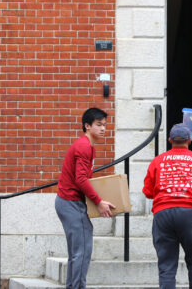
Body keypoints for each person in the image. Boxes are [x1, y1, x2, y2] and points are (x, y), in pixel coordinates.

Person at [143, 123, 192, 289]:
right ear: (189, 141)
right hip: (190, 213)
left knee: (167, 265)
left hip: (163, 213)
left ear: (170, 140)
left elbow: (148, 191)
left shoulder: (157, 161)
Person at [55, 108, 116, 289]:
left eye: (105, 125)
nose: (103, 129)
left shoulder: (86, 145)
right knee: (82, 253)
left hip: (68, 202)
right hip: (71, 203)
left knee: (77, 254)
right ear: (87, 126)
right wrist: (98, 202)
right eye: (99, 125)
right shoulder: (84, 146)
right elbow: (80, 178)